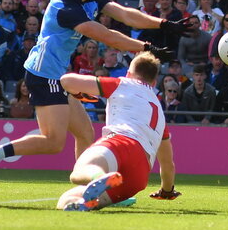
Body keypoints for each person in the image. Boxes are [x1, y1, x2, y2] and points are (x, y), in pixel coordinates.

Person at [0, 0, 192, 188]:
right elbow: (107, 36)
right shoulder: (65, 7)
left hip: (58, 75)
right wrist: (147, 48)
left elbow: (125, 14)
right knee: (53, 142)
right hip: (45, 75)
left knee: (85, 133)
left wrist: (163, 23)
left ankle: (88, 190)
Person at [54, 53, 180, 211]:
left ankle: (99, 177)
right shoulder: (159, 112)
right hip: (139, 172)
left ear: (128, 74)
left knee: (80, 170)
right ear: (154, 82)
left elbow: (66, 81)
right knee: (67, 200)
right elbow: (168, 165)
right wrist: (167, 191)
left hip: (120, 143)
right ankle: (84, 203)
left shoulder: (122, 84)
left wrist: (78, 94)